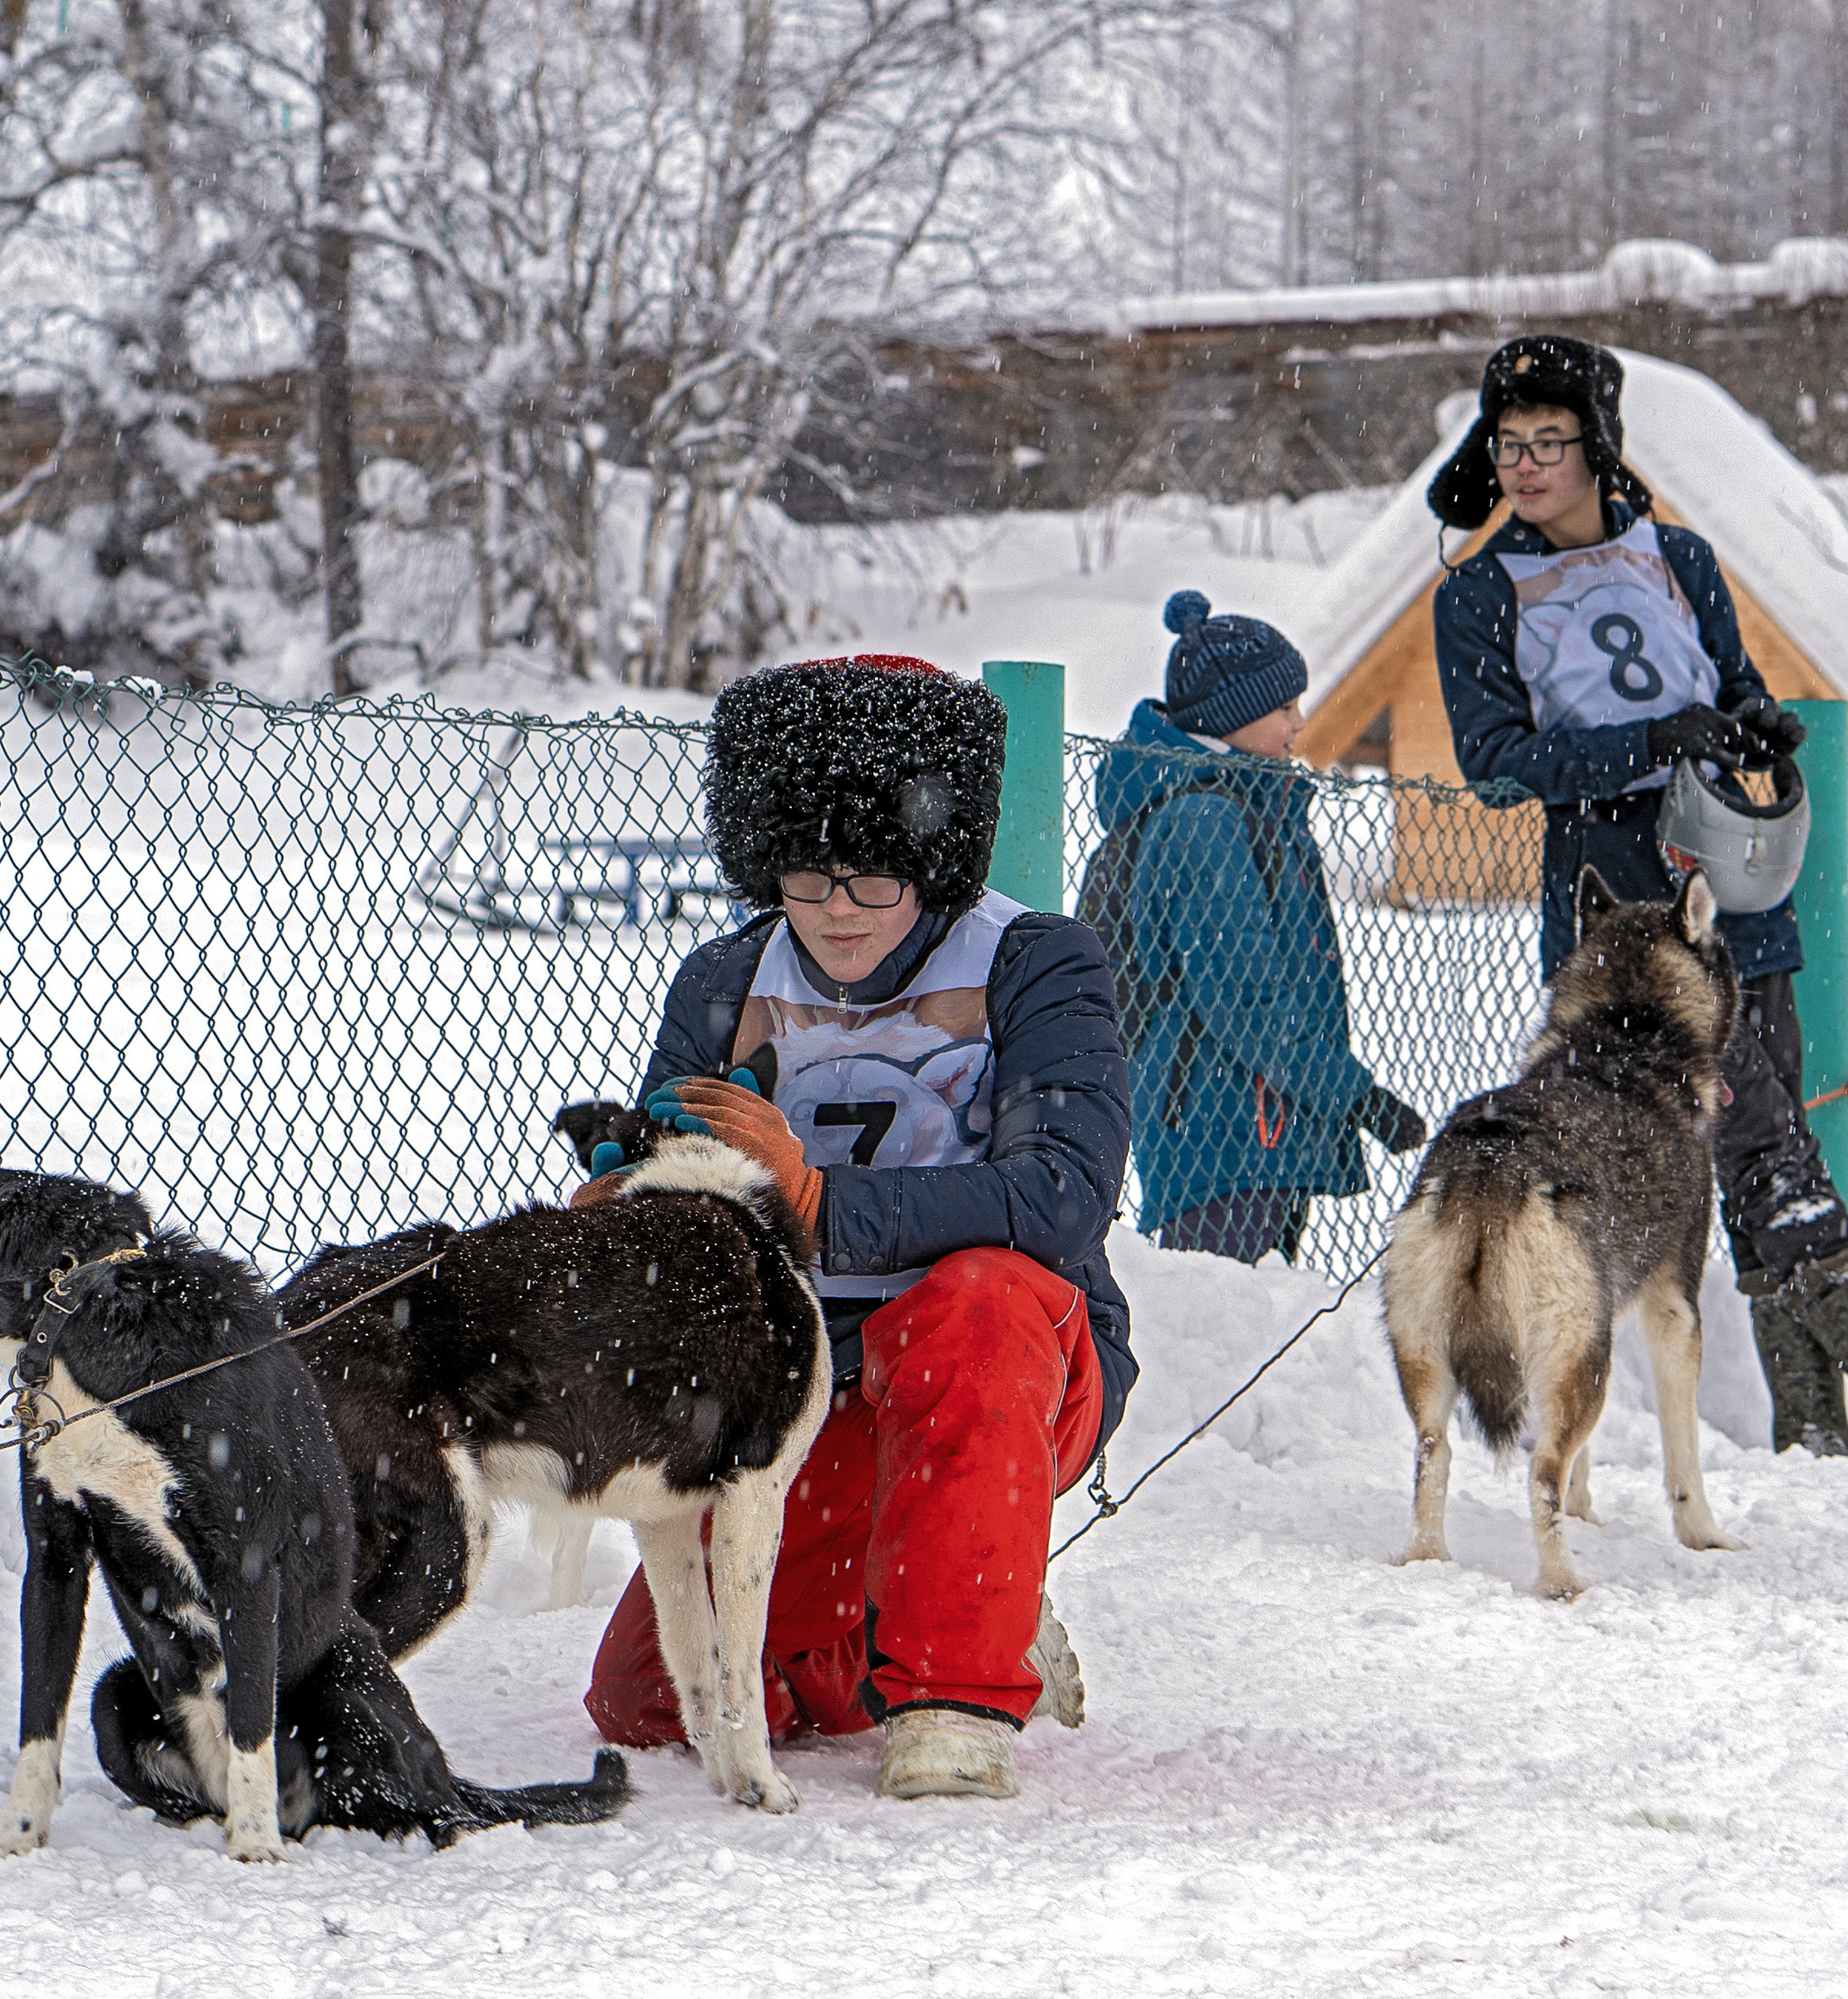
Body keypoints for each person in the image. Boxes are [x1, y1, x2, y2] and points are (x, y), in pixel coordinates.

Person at [573, 653, 1134, 1801]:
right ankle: (957, 1605)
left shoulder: (1036, 961)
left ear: (933, 866)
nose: (836, 907)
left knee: (975, 1296)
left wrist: (818, 1206)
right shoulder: (725, 979)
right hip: (809, 1385)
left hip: (1008, 1368)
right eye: (807, 873)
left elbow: (1062, 1192)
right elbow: (673, 1162)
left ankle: (956, 1701)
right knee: (653, 1697)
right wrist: (632, 1212)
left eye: (874, 877)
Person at [1428, 333, 1848, 1457]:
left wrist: (1752, 726)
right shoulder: (1477, 593)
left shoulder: (1679, 557)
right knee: (1754, 1136)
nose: (1526, 464)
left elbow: (1734, 683)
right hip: (1619, 916)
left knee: (1772, 1134)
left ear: (1598, 445)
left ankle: (1812, 1434)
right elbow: (1497, 763)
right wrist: (1645, 743)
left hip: (1734, 879)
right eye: (1508, 443)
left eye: (1550, 440)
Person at [1092, 600, 1426, 1261]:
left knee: (1255, 1306)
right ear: (1230, 716)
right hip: (1221, 1127)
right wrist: (1356, 1097)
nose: (1300, 722)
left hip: (1253, 1120)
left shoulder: (1251, 802)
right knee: (1224, 1310)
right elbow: (1244, 999)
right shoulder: (1204, 821)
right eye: (1283, 707)